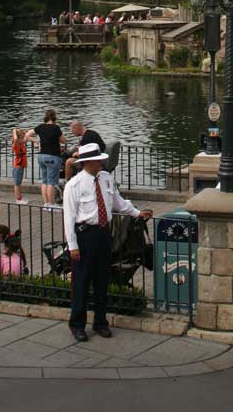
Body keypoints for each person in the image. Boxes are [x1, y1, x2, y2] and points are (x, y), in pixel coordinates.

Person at [62, 142, 153, 343]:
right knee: (81, 282)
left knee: (103, 279)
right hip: (85, 235)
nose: (102, 163)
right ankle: (77, 324)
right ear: (89, 163)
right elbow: (68, 218)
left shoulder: (106, 179)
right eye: (99, 160)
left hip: (103, 234)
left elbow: (118, 202)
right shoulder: (74, 185)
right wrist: (73, 246)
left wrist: (137, 213)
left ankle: (100, 322)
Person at [25, 109, 66, 211]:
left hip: (41, 156)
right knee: (51, 182)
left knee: (44, 181)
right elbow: (63, 140)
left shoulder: (40, 127)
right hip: (53, 156)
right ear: (54, 117)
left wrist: (37, 142)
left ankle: (46, 204)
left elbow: (27, 135)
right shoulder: (56, 128)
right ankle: (52, 205)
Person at [12, 128, 29, 205]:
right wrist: (14, 130)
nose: (23, 136)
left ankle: (19, 197)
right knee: (17, 183)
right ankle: (18, 199)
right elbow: (15, 138)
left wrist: (24, 132)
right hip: (18, 165)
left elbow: (27, 137)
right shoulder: (16, 143)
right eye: (22, 135)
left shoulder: (21, 143)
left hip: (20, 165)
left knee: (18, 182)